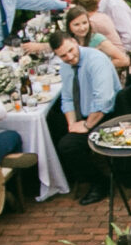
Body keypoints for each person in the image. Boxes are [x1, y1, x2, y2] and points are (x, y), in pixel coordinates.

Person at [49, 26, 121, 204]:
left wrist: (86, 126)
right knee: (51, 125)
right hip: (85, 111)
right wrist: (72, 125)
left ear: (75, 42)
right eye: (64, 56)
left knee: (68, 145)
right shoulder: (66, 67)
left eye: (71, 51)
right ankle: (66, 175)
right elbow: (66, 98)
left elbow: (104, 101)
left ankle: (100, 182)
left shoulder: (96, 60)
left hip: (108, 114)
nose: (70, 57)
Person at [65, 4, 131, 77]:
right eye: (76, 25)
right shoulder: (69, 42)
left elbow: (124, 60)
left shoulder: (97, 39)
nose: (82, 28)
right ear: (69, 27)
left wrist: (98, 66)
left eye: (85, 23)